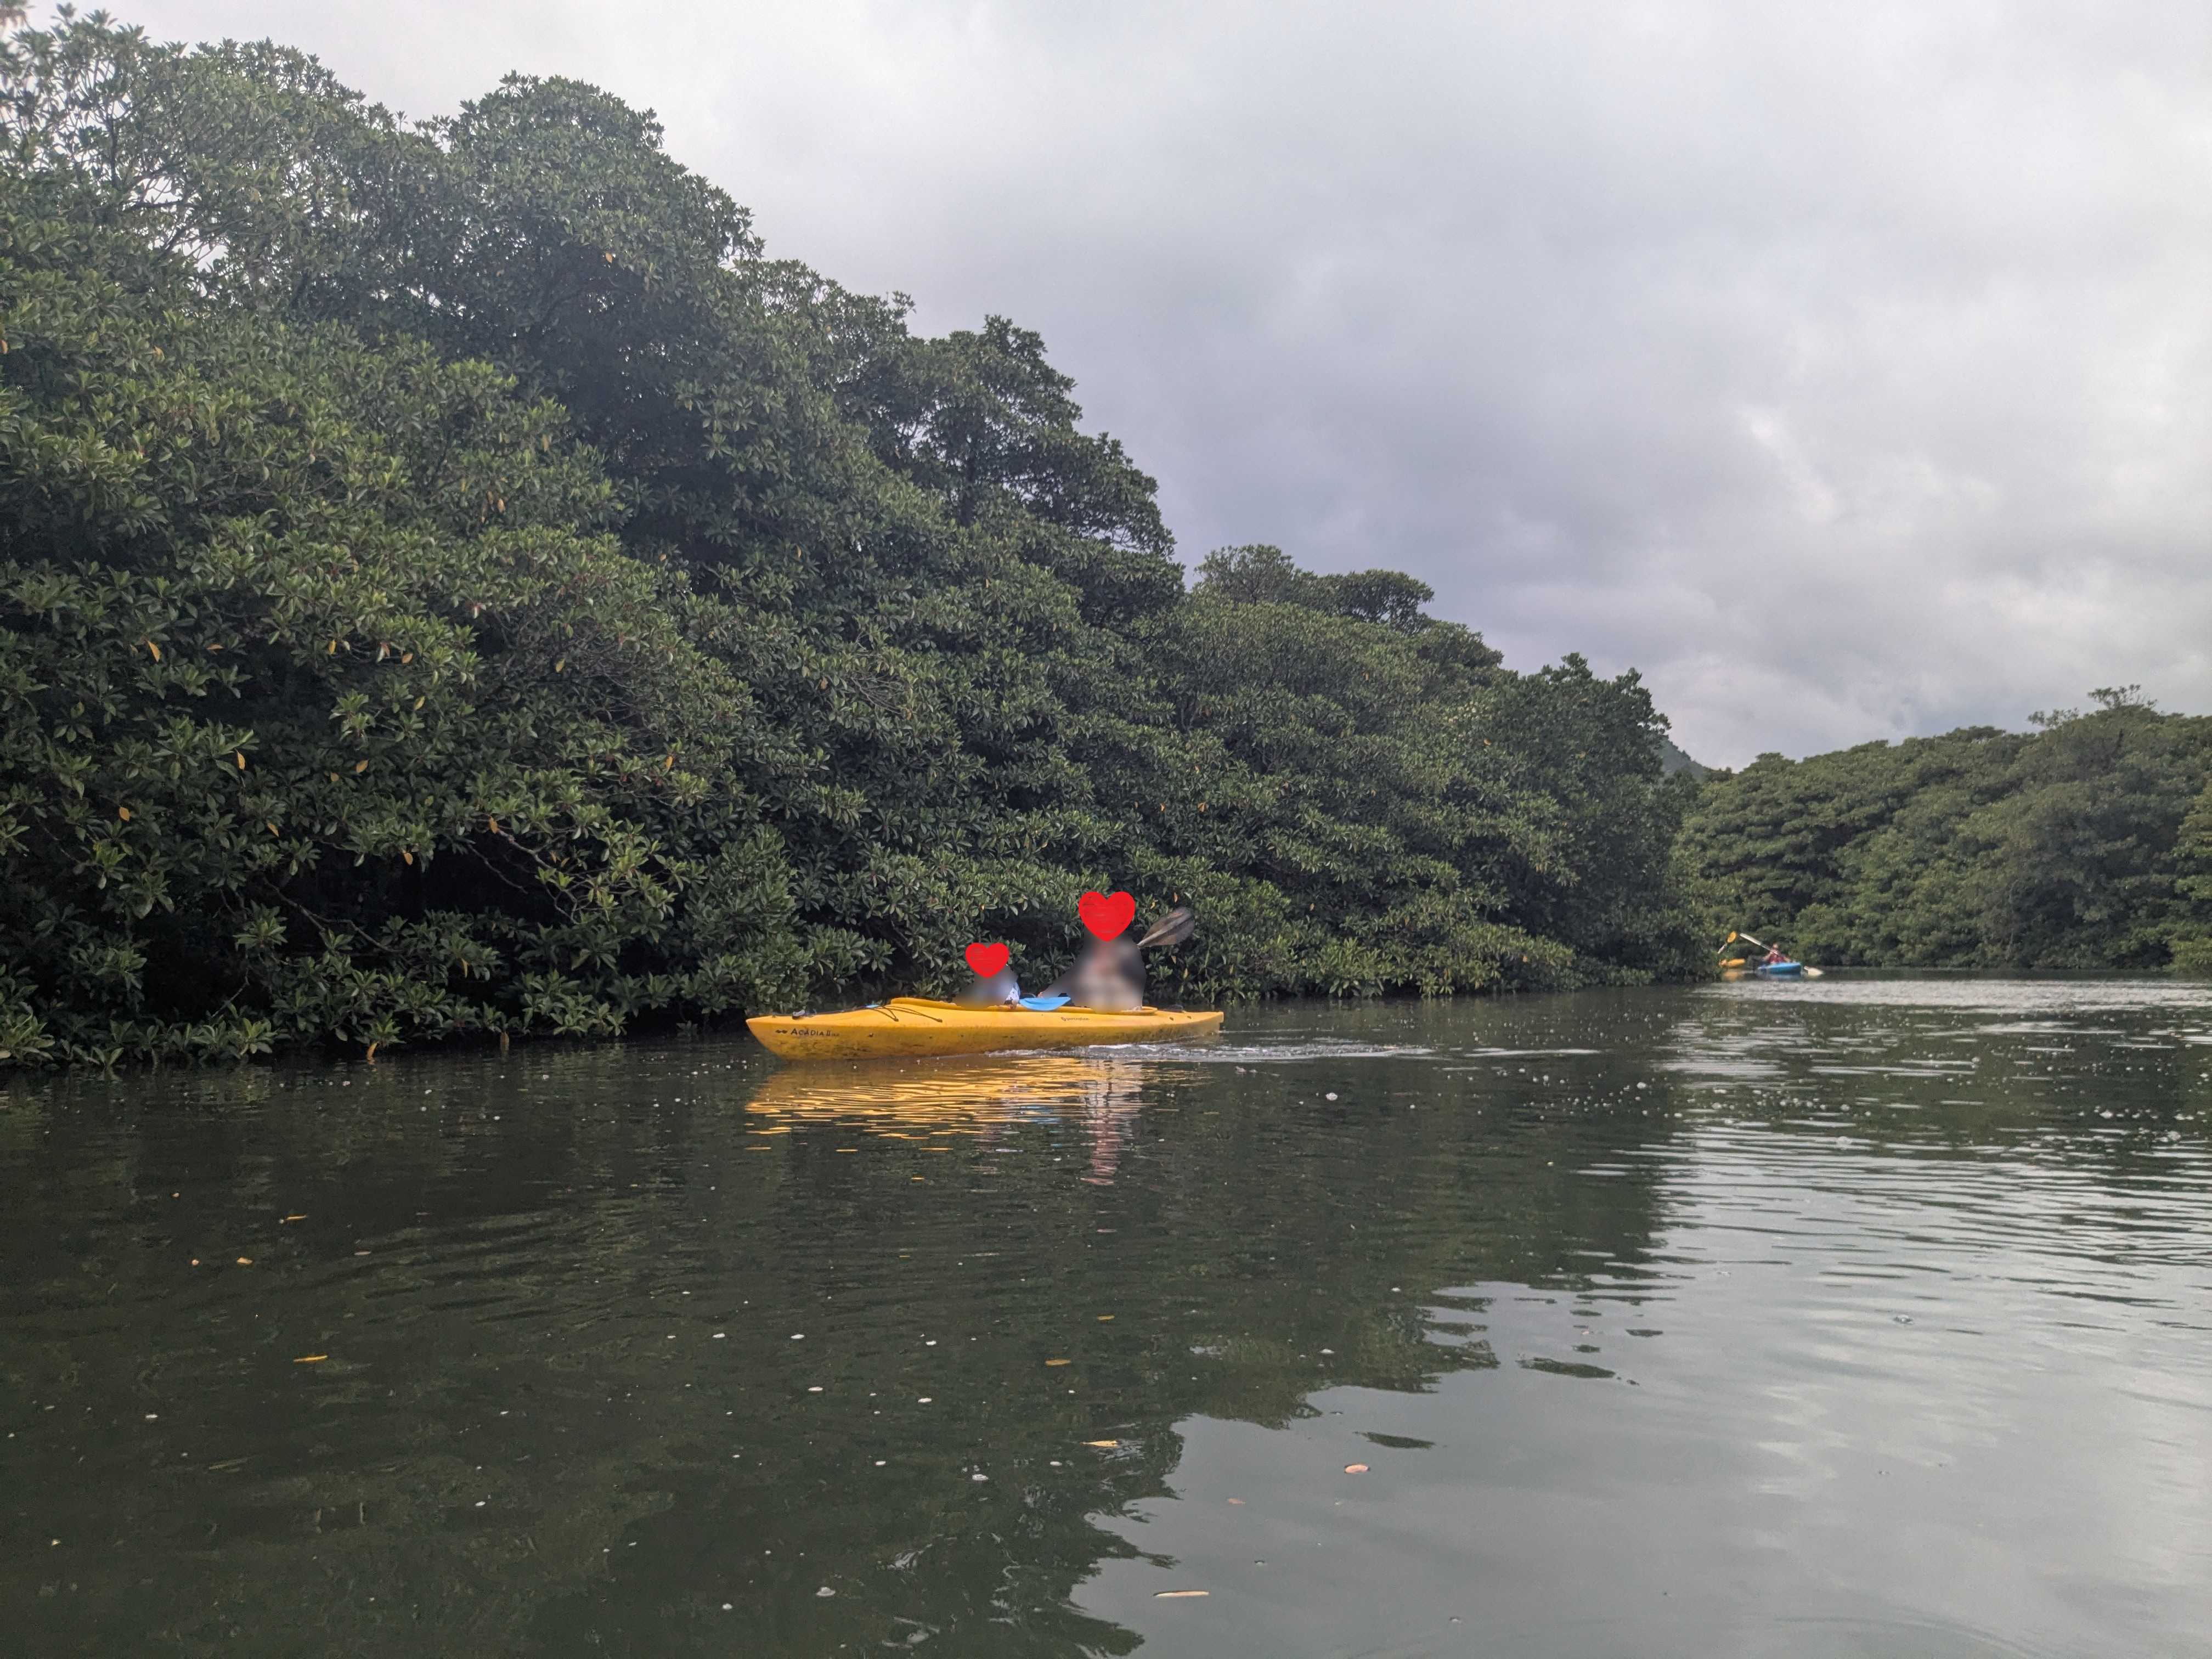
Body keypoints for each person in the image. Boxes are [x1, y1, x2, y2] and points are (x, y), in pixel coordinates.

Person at [1042, 906, 1195, 1011]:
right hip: (1092, 1014)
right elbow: (1071, 979)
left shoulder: (1129, 954)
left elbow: (1136, 979)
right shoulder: (1090, 959)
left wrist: (1114, 969)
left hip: (1125, 1010)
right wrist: (1048, 993)